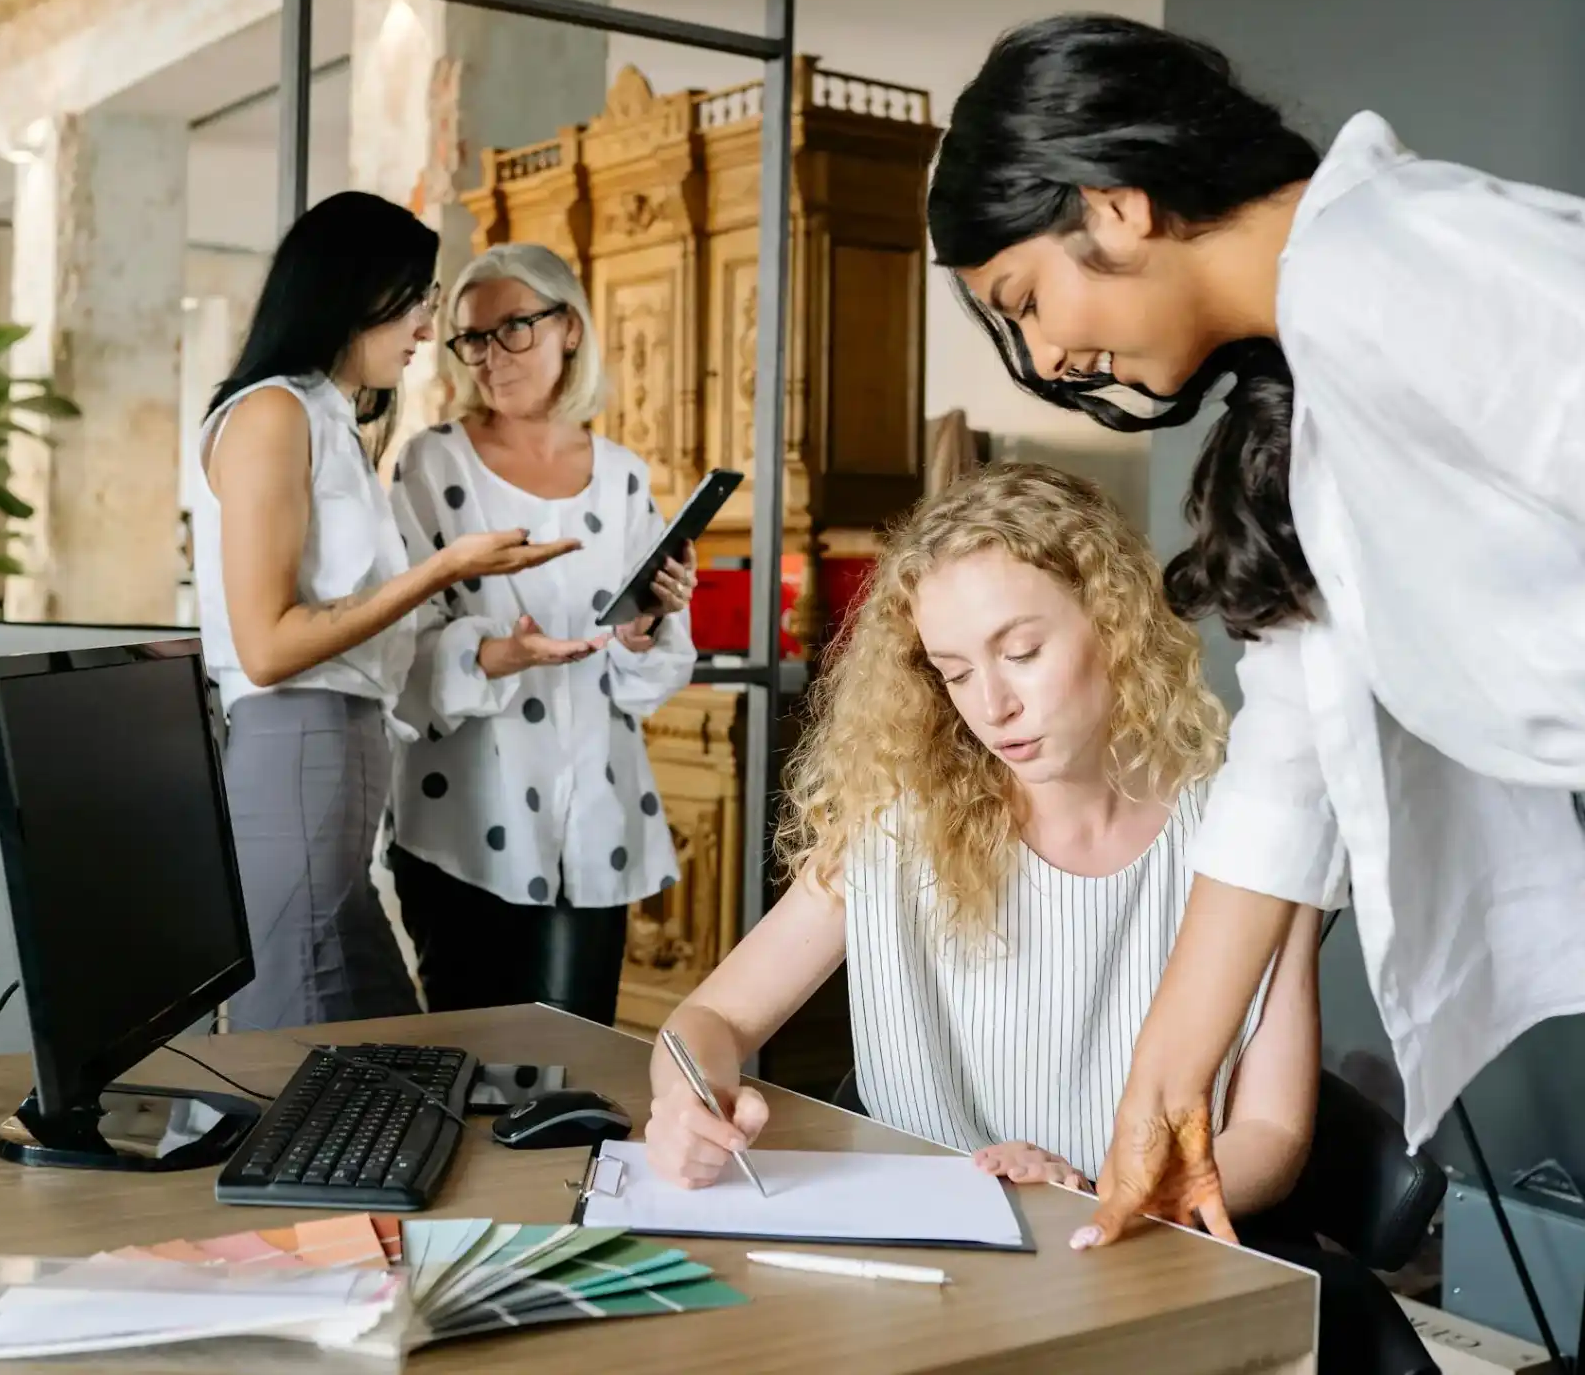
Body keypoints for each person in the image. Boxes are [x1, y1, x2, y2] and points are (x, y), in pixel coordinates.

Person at [925, 13, 1585, 1250]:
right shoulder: (1310, 373)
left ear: (1112, 205)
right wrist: (1161, 1097)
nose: (1052, 351)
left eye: (1025, 298)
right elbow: (1284, 771)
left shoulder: (1399, 259)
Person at [643, 465, 1430, 1375]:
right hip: (923, 1287)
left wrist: (1099, 1195)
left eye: (1021, 653)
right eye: (955, 673)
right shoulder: (895, 827)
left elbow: (1272, 1140)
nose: (993, 707)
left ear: (1113, 622)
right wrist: (686, 1099)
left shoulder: (1248, 837)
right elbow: (711, 1021)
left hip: (1133, 1274)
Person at [195, 193, 579, 1031]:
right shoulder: (272, 413)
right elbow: (267, 646)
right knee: (306, 1054)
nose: (424, 325)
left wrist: (483, 643)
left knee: (377, 1046)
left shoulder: (328, 421)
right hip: (297, 746)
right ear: (348, 291)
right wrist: (446, 566)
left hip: (338, 757)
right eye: (413, 300)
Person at [384, 243, 699, 1027]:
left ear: (569, 328)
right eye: (473, 338)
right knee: (470, 1071)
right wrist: (502, 655)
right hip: (463, 821)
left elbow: (647, 673)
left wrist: (646, 628)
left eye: (513, 329)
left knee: (574, 1075)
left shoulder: (624, 475)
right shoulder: (431, 465)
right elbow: (400, 650)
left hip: (595, 819)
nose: (491, 356)